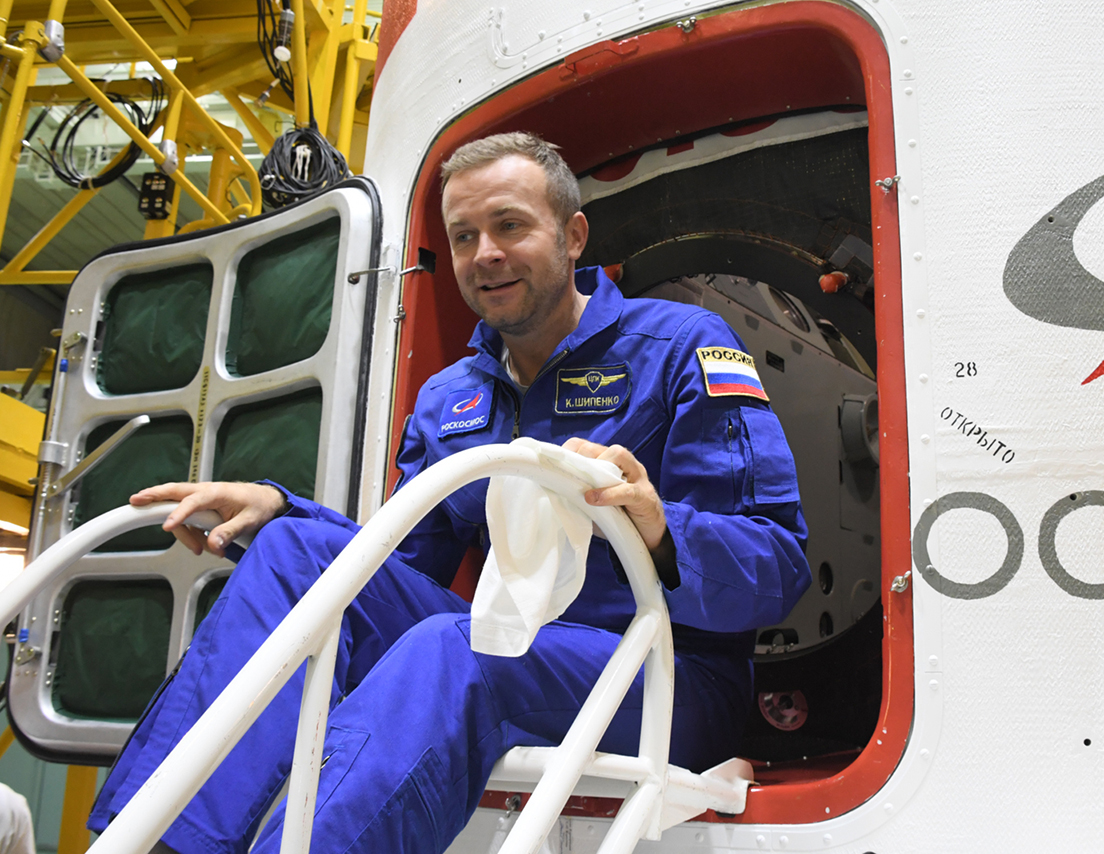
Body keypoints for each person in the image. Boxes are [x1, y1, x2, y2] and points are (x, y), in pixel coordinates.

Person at [87, 132, 809, 854]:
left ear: (573, 236)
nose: (485, 253)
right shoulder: (448, 399)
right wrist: (283, 508)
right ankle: (161, 842)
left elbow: (779, 571)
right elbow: (395, 574)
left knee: (455, 647)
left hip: (669, 682)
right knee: (294, 553)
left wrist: (659, 526)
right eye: (464, 236)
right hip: (511, 643)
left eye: (510, 225)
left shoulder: (680, 346)